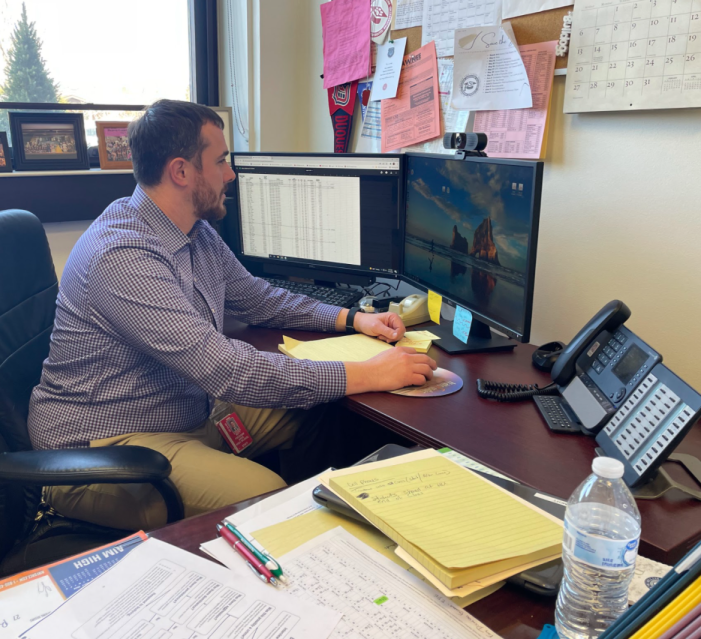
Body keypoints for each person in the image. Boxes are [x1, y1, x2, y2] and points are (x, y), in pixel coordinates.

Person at [27, 99, 437, 530]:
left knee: (324, 408)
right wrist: (370, 373)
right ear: (181, 171)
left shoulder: (194, 231)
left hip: (185, 410)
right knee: (265, 498)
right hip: (108, 447)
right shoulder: (122, 256)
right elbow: (228, 371)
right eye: (221, 161)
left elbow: (258, 298)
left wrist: (353, 319)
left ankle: (315, 531)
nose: (231, 174)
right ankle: (285, 536)